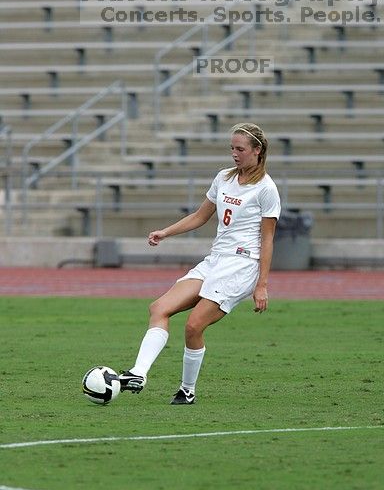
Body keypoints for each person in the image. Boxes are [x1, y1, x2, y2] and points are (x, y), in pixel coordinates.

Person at [119, 122, 281, 404]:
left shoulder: (266, 189)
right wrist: (166, 232)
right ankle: (138, 374)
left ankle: (187, 390)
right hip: (215, 260)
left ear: (257, 151)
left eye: (240, 149)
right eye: (232, 147)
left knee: (194, 326)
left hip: (241, 266)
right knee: (159, 308)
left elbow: (268, 240)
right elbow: (199, 216)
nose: (234, 153)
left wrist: (262, 285)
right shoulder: (224, 178)